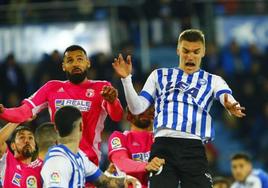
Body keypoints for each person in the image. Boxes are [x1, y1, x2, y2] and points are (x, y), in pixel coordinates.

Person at [112, 29, 246, 188]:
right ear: (178, 50)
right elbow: (136, 108)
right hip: (163, 146)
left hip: (193, 148)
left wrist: (230, 103)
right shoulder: (159, 75)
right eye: (186, 51)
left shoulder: (214, 80)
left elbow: (225, 95)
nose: (190, 56)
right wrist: (127, 80)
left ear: (203, 52)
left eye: (196, 52)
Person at [0, 45, 124, 165]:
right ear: (63, 66)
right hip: (58, 161)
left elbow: (117, 116)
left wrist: (112, 102)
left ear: (88, 63)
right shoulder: (51, 87)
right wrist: (3, 111)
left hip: (89, 162)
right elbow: (23, 112)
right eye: (70, 60)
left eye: (80, 59)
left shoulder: (101, 87)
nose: (75, 64)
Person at [41, 105, 137, 187]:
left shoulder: (79, 156)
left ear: (56, 128)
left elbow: (104, 182)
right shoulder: (58, 160)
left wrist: (124, 181)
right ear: (81, 126)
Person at [107, 107, 165, 188]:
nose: (143, 111)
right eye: (137, 109)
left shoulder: (161, 138)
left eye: (146, 108)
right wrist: (146, 166)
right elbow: (121, 161)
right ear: (128, 115)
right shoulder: (119, 137)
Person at [0, 123, 43, 188]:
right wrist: (18, 118)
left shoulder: (42, 166)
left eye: (30, 138)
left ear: (34, 146)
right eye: (21, 137)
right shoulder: (7, 161)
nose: (27, 141)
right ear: (13, 146)